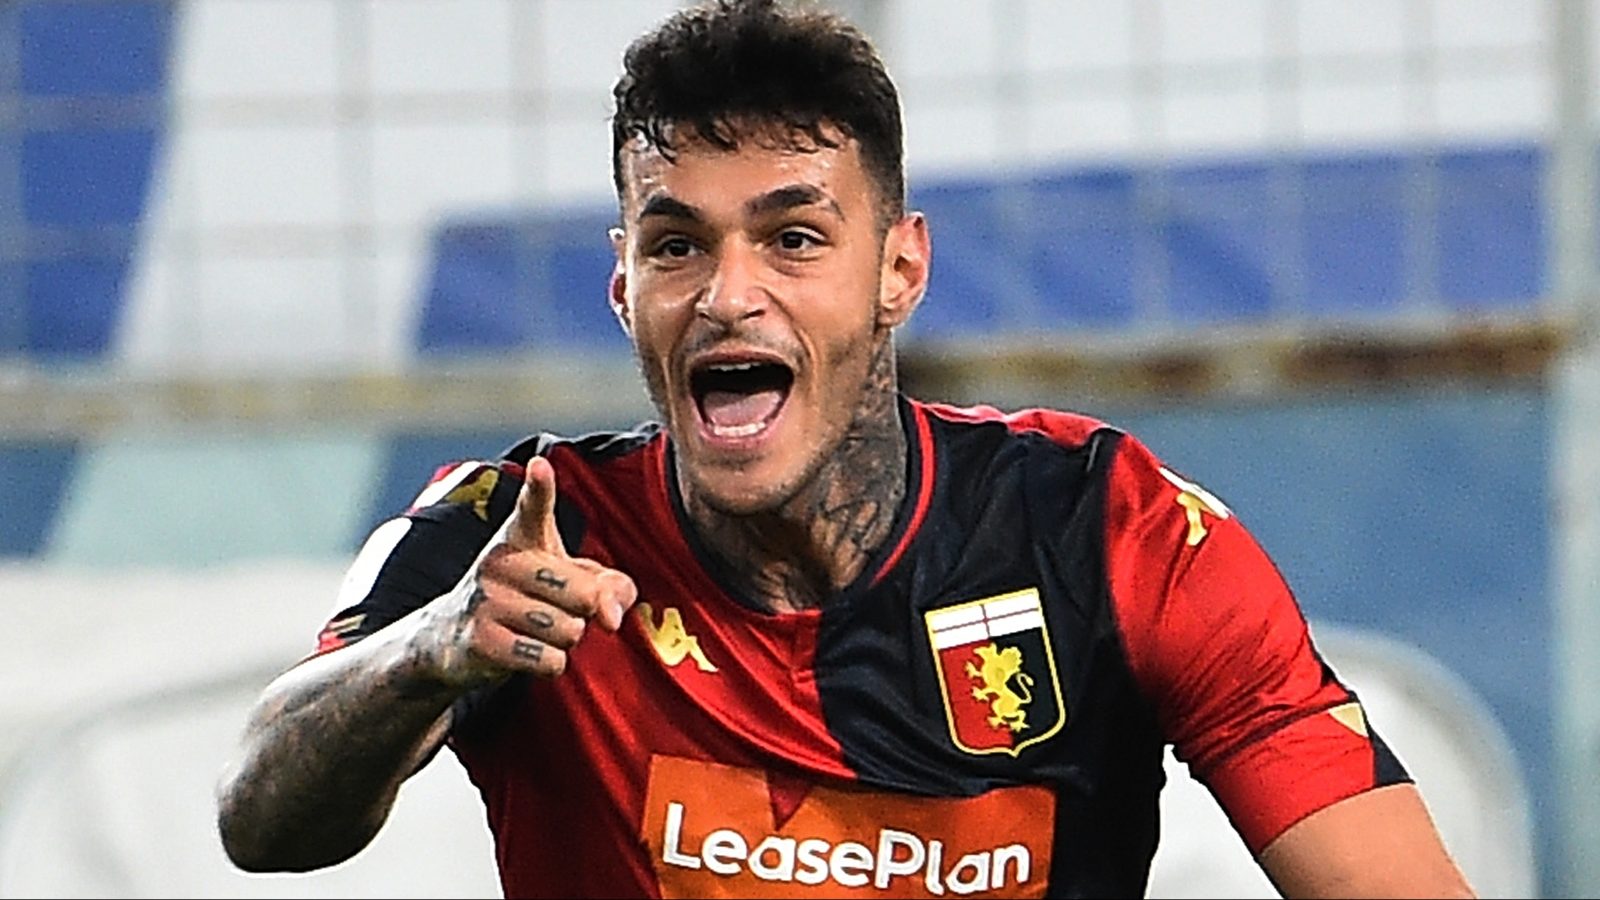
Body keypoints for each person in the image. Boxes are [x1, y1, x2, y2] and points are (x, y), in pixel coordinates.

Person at [215, 1, 1475, 897]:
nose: (728, 296)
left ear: (898, 271)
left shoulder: (1110, 534)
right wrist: (429, 654)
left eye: (794, 239)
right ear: (623, 287)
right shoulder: (519, 535)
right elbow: (259, 819)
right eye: (675, 245)